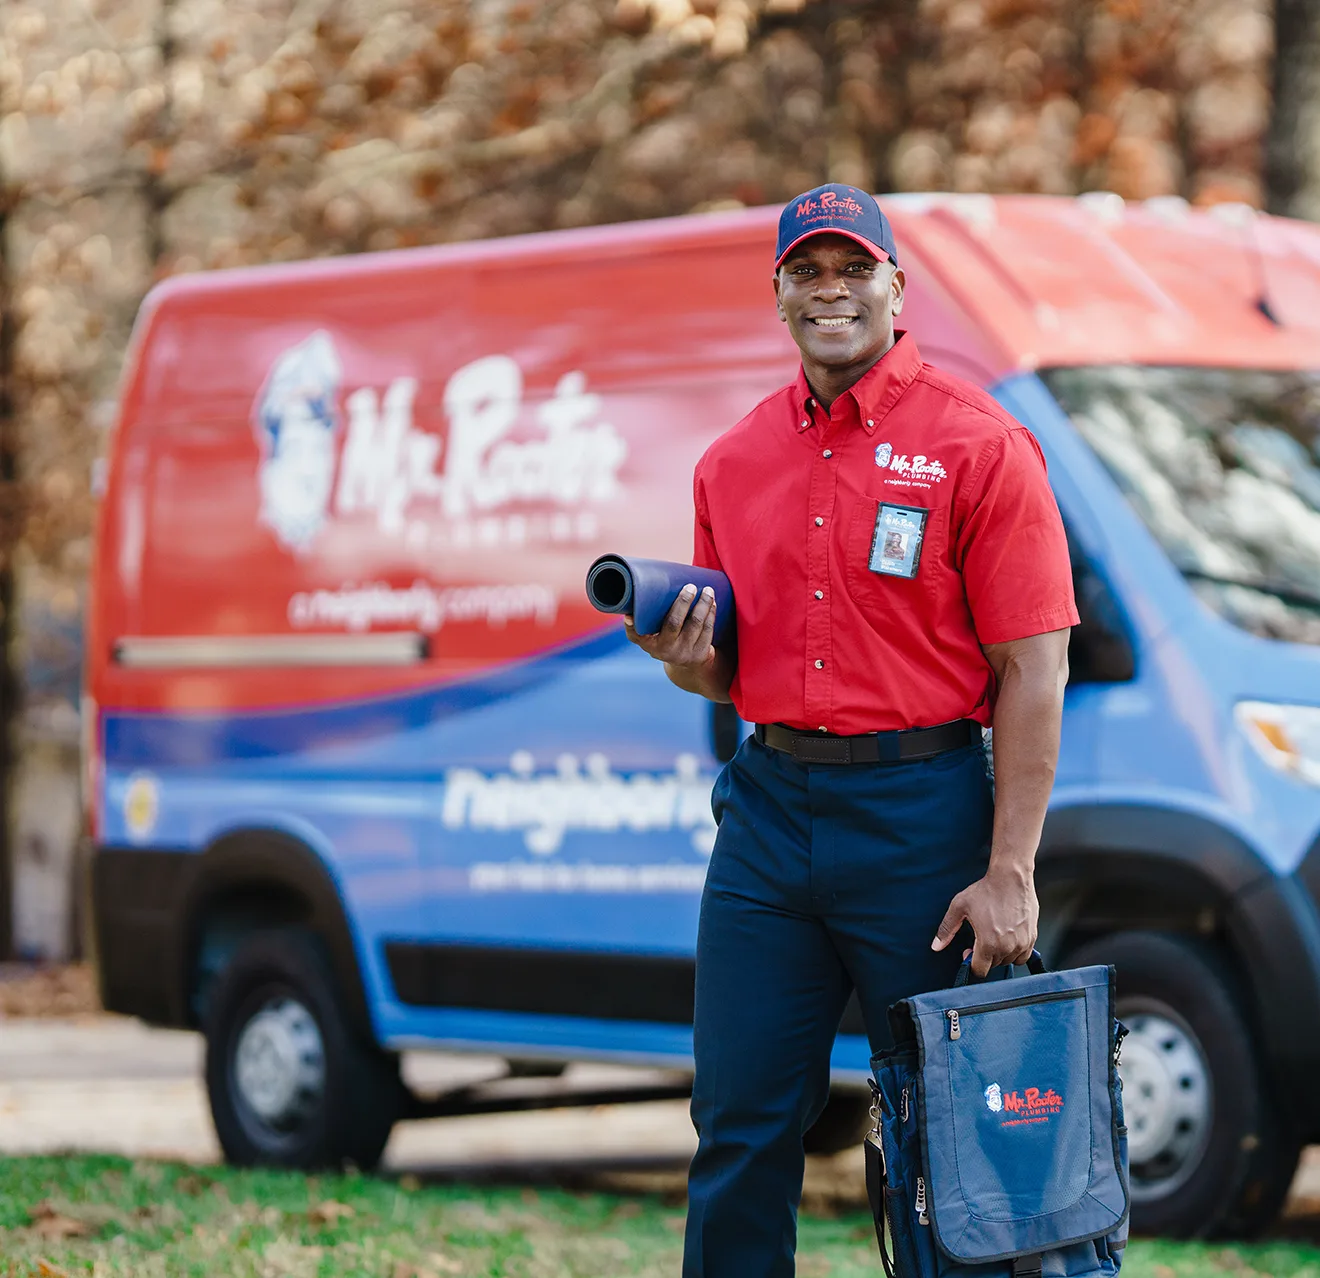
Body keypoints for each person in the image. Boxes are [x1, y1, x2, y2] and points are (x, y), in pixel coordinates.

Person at [622, 183, 1078, 1277]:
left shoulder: (982, 446)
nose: (832, 292)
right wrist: (691, 665)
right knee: (738, 1128)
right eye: (807, 273)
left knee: (945, 1134)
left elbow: (1034, 669)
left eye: (853, 270)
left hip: (922, 819)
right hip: (769, 816)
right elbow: (727, 675)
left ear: (895, 288)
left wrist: (1010, 868)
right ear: (777, 296)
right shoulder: (730, 463)